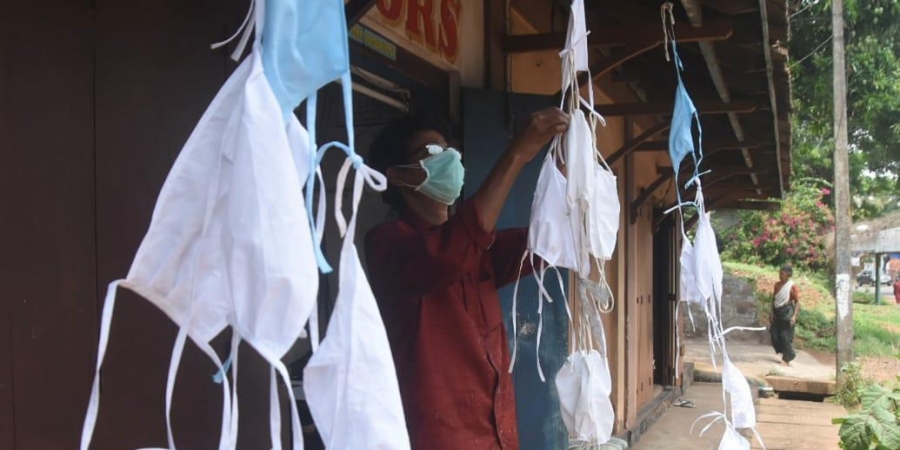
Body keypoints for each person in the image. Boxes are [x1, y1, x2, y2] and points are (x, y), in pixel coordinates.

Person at [364, 108, 569, 450]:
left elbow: (542, 242)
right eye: (431, 153)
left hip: (497, 438)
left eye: (451, 152)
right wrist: (518, 153)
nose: (448, 160)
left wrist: (564, 177)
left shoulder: (477, 251)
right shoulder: (389, 243)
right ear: (398, 176)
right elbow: (451, 251)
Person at [769, 264, 800, 366]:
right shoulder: (777, 285)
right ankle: (783, 352)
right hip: (777, 312)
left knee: (785, 336)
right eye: (779, 273)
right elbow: (774, 299)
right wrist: (771, 312)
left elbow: (797, 302)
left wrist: (794, 316)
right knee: (774, 334)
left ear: (788, 275)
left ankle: (787, 359)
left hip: (787, 312)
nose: (780, 275)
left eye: (782, 273)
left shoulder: (792, 286)